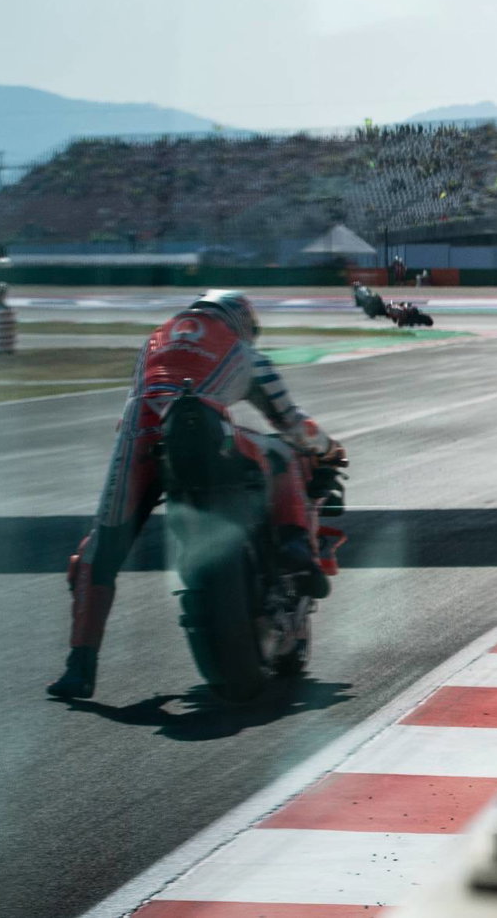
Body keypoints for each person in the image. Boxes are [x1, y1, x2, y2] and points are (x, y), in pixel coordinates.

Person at [47, 290, 344, 699]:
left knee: (99, 553)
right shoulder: (245, 353)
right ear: (242, 321)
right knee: (282, 451)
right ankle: (296, 545)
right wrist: (329, 448)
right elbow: (292, 422)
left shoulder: (153, 340)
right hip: (211, 435)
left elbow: (142, 398)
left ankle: (78, 667)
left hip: (140, 436)